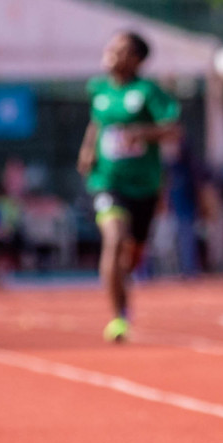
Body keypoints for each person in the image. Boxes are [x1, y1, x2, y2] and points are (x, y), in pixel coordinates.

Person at [77, 31, 180, 342]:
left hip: (144, 186)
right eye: (110, 46)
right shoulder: (99, 89)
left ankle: (123, 284)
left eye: (119, 49)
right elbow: (97, 122)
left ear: (135, 58)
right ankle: (118, 317)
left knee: (130, 256)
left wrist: (142, 133)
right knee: (114, 238)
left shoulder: (148, 92)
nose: (110, 52)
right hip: (107, 182)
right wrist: (87, 148)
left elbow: (173, 128)